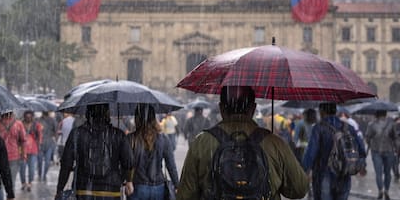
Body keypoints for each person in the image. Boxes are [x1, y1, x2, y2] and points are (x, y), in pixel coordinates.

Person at [177, 86, 308, 200]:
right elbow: (299, 189)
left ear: (221, 108)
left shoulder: (202, 143)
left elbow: (185, 195)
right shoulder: (274, 143)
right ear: (253, 108)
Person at [55, 103, 134, 200]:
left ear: (88, 113)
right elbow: (128, 162)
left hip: (84, 190)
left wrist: (60, 189)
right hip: (111, 191)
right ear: (107, 113)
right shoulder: (118, 134)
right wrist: (128, 181)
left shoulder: (77, 134)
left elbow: (66, 164)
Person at [302, 101, 366, 200]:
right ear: (335, 111)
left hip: (324, 175)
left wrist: (304, 171)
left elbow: (311, 153)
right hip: (344, 175)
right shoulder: (348, 127)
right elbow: (361, 150)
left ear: (322, 111)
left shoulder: (318, 128)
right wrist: (360, 166)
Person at [125, 104, 179, 200]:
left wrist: (126, 180)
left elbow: (127, 163)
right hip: (158, 187)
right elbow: (171, 165)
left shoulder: (131, 138)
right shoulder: (163, 139)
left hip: (137, 187)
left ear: (137, 119)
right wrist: (176, 185)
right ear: (154, 119)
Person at [365, 110, 398, 199]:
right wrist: (397, 149)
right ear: (385, 113)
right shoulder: (392, 123)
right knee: (388, 173)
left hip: (376, 151)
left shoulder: (371, 124)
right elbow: (395, 137)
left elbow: (367, 137)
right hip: (389, 150)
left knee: (378, 173)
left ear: (376, 114)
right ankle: (386, 190)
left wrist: (371, 142)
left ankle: (381, 190)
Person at [0, 111, 27, 193]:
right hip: (14, 156)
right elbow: (23, 140)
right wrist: (24, 154)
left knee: (0, 182)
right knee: (11, 181)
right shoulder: (18, 124)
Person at [38, 111, 58, 182]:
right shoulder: (38, 120)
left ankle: (44, 174)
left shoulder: (52, 120)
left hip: (49, 142)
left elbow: (56, 131)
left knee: (47, 161)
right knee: (40, 161)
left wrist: (55, 138)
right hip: (40, 143)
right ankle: (40, 174)